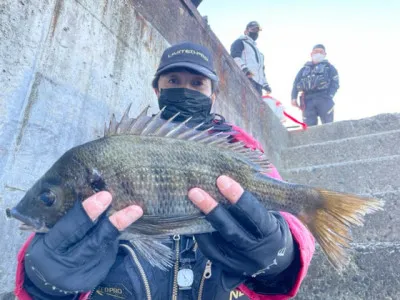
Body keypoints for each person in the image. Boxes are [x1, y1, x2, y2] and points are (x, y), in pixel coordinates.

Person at [14, 42, 315, 300]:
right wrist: (44, 282)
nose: (185, 88)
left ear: (212, 95)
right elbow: (67, 233)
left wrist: (284, 253)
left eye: (197, 83)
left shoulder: (240, 149)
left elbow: (290, 216)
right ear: (157, 89)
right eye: (173, 80)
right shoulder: (111, 150)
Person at [291, 44, 340, 126]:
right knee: (309, 129)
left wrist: (329, 96)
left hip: (324, 99)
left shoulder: (330, 68)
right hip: (307, 100)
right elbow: (295, 83)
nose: (318, 54)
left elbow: (335, 83)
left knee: (328, 126)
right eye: (316, 51)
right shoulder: (303, 70)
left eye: (321, 52)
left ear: (325, 54)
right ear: (311, 54)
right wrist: (293, 97)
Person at [230, 21, 272, 96]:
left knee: (256, 107)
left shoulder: (260, 54)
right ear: (246, 31)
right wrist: (245, 70)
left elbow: (261, 70)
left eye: (257, 31)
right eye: (253, 30)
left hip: (258, 85)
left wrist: (265, 84)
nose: (255, 33)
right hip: (246, 79)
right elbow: (235, 57)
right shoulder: (240, 42)